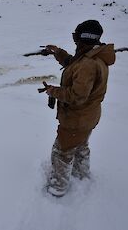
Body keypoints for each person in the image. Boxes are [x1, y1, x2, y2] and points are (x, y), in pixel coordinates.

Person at [42, 20, 116, 197]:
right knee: (81, 145)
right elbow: (72, 62)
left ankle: (57, 187)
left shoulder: (88, 64)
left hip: (76, 118)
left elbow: (77, 96)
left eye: (76, 35)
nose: (74, 38)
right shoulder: (92, 55)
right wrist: (58, 52)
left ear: (83, 38)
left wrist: (53, 91)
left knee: (62, 152)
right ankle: (81, 174)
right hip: (88, 117)